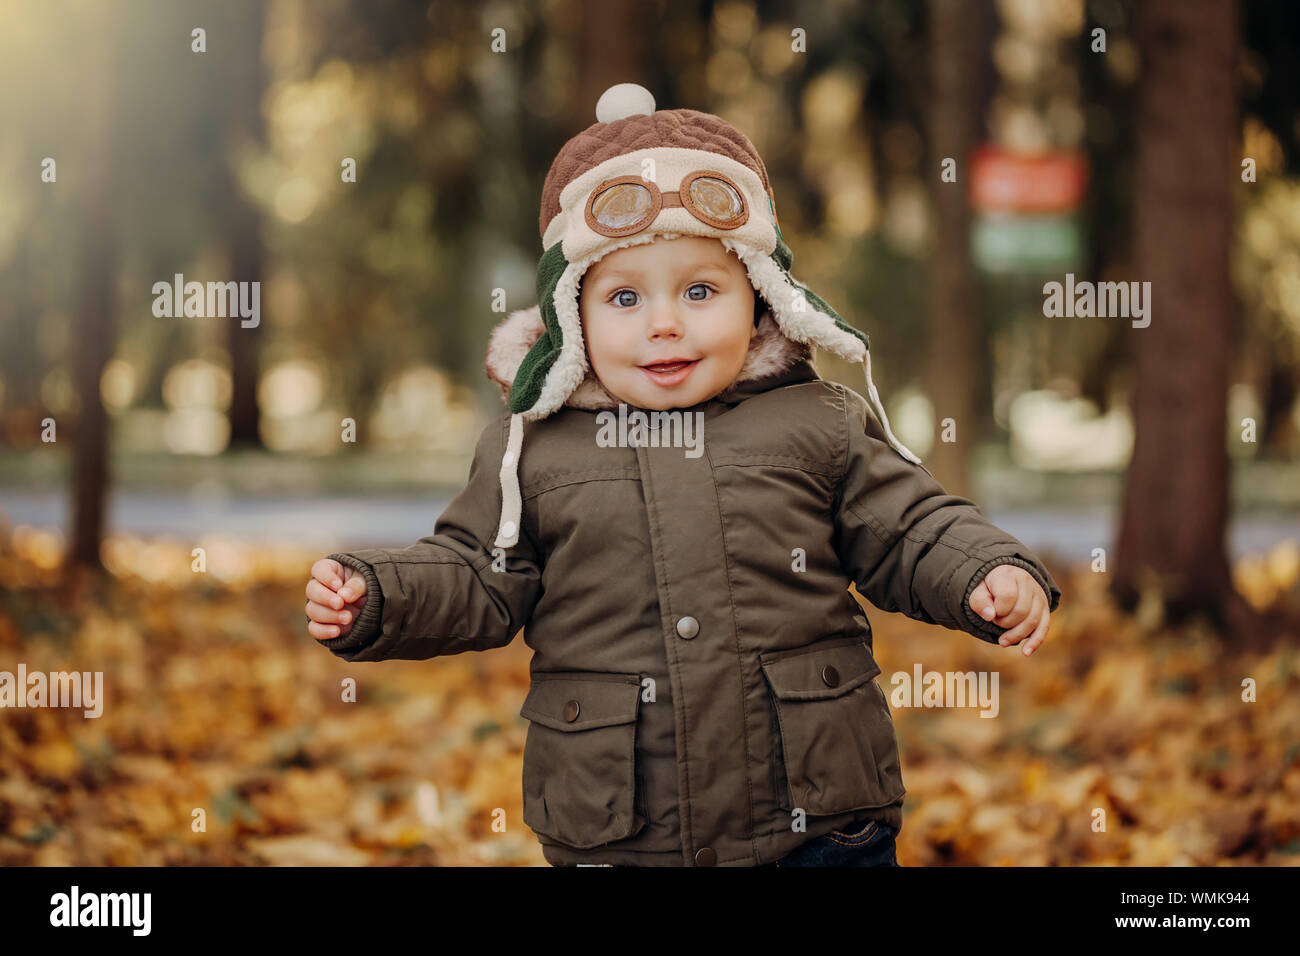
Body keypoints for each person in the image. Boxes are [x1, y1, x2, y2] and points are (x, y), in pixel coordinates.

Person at [304, 83, 1061, 867]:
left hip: (820, 822)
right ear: (573, 316)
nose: (664, 322)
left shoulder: (818, 422)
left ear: (760, 298)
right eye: (625, 296)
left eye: (700, 290)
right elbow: (476, 572)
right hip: (623, 829)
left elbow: (910, 527)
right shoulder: (534, 448)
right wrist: (381, 595)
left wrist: (986, 569)